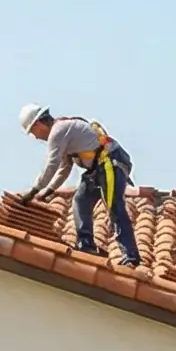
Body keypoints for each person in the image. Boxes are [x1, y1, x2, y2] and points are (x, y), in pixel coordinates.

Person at [20, 103, 140, 266]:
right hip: (97, 169)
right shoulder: (62, 133)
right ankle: (87, 247)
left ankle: (131, 256)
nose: (35, 137)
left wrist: (33, 191)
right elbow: (64, 168)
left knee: (114, 206)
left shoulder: (58, 131)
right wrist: (47, 192)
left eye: (32, 132)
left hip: (111, 163)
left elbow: (52, 165)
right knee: (80, 201)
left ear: (38, 124)